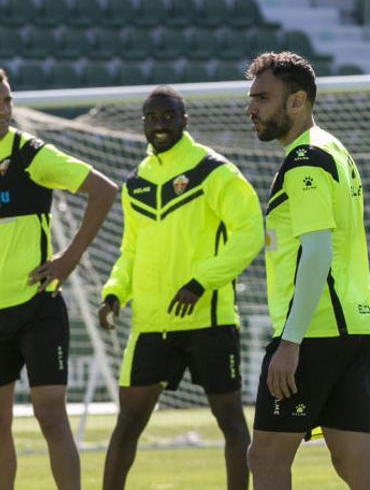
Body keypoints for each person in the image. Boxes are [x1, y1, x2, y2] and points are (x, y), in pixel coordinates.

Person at [98, 86, 262, 490]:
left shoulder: (212, 170)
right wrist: (114, 292)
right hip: (151, 324)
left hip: (209, 319)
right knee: (127, 424)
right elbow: (130, 250)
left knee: (230, 421)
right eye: (152, 118)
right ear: (143, 123)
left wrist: (201, 281)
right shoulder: (135, 183)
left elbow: (250, 232)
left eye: (167, 116)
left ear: (184, 120)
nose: (159, 125)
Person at [243, 52, 370, 490]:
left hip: (315, 332)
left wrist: (290, 340)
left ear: (298, 101)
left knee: (265, 458)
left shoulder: (305, 160)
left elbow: (318, 252)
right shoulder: (334, 149)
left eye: (263, 98)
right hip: (353, 327)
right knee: (353, 463)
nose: (252, 108)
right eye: (251, 98)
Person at [0, 68, 117, 490]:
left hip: (38, 310)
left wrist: (69, 258)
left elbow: (104, 191)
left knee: (51, 416)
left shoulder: (33, 154)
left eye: (7, 99)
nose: (4, 109)